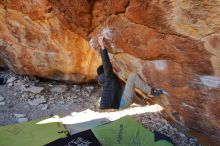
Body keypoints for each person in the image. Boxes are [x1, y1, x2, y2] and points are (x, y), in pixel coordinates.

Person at [97, 36, 163, 110]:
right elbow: (106, 64)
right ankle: (150, 91)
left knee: (130, 93)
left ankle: (145, 104)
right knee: (133, 77)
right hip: (120, 103)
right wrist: (103, 47)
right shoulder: (107, 76)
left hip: (116, 106)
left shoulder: (106, 83)